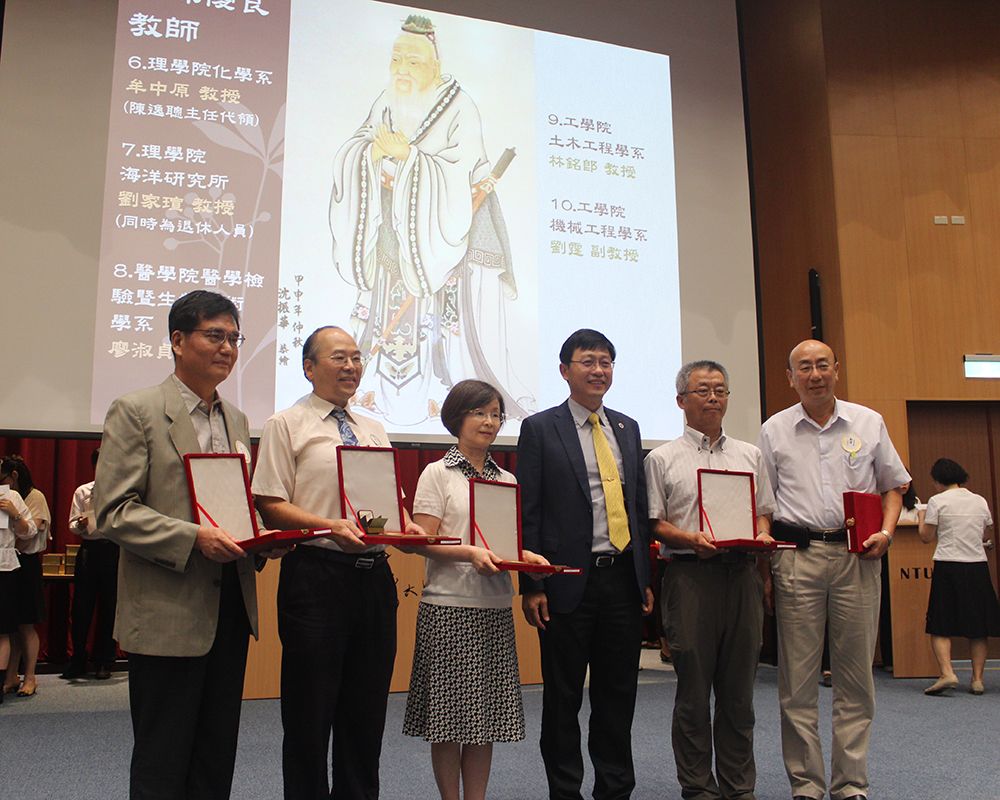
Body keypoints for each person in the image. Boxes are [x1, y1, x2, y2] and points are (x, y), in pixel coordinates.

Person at [93, 290, 274, 800]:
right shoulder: (137, 411)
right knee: (163, 757)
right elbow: (114, 511)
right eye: (214, 335)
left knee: (216, 755)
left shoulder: (236, 419)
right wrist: (193, 538)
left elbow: (232, 509)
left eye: (234, 339)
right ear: (177, 340)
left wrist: (263, 540)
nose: (228, 349)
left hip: (230, 609)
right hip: (168, 611)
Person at [329, 14, 532, 426]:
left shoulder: (458, 105)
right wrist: (370, 157)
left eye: (413, 61)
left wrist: (409, 161)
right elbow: (356, 145)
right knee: (382, 311)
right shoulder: (386, 100)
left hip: (440, 237)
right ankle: (375, 392)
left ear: (434, 65)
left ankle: (443, 394)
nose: (402, 69)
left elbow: (461, 169)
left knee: (439, 323)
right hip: (389, 234)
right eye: (397, 59)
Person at [252, 325, 427, 800]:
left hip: (374, 581)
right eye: (338, 358)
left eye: (356, 357)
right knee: (310, 716)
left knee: (366, 715)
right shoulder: (285, 424)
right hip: (317, 580)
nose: (351, 366)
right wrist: (327, 524)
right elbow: (270, 501)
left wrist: (405, 522)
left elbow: (386, 498)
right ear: (308, 367)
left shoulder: (372, 427)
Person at [759, 339, 910, 800]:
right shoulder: (774, 430)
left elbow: (894, 487)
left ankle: (850, 785)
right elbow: (764, 502)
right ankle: (806, 784)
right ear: (791, 377)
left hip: (858, 559)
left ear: (837, 370)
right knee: (797, 681)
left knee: (855, 679)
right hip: (797, 559)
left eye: (823, 365)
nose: (815, 374)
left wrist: (885, 533)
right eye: (804, 367)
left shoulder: (869, 422)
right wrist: (765, 543)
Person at [518, 328, 653, 800]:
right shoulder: (539, 428)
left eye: (606, 362)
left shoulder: (627, 427)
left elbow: (636, 506)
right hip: (565, 584)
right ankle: (565, 791)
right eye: (588, 361)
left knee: (618, 696)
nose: (599, 371)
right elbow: (528, 511)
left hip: (621, 581)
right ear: (564, 370)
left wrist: (643, 578)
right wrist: (532, 583)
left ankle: (615, 789)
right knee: (563, 698)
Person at [404, 379, 548, 800]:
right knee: (448, 722)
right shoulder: (437, 472)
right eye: (479, 413)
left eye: (495, 414)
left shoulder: (505, 477)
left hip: (493, 607)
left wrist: (528, 556)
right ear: (457, 418)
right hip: (449, 607)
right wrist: (469, 554)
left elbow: (501, 542)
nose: (489, 422)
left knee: (484, 721)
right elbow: (424, 541)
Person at [644, 360, 776, 800]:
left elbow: (762, 512)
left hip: (742, 577)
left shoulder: (749, 454)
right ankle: (698, 786)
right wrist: (688, 538)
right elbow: (655, 524)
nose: (713, 398)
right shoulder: (662, 458)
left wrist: (761, 534)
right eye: (703, 390)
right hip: (689, 577)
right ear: (682, 400)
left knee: (739, 694)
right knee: (694, 693)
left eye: (720, 390)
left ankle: (740, 787)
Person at [917, 458, 999, 696]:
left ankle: (947, 673)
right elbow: (985, 532)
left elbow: (926, 536)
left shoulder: (937, 501)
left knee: (940, 623)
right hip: (977, 567)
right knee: (978, 626)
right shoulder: (979, 500)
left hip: (948, 564)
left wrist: (921, 517)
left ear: (937, 480)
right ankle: (977, 680)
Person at [61, 446, 119, 680]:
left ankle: (104, 661)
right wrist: (80, 525)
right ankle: (77, 660)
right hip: (89, 551)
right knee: (81, 608)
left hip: (113, 550)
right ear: (94, 466)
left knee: (109, 608)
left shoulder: (120, 493)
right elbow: (71, 524)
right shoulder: (82, 491)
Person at [0, 454, 50, 698]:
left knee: (26, 623)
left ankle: (30, 677)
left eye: (4, 478)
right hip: (8, 565)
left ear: (14, 476)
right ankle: (10, 675)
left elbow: (32, 531)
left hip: (26, 563)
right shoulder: (7, 497)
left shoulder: (34, 496)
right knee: (9, 625)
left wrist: (10, 531)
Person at [0, 474, 37, 707]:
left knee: (2, 630)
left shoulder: (10, 496)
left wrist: (14, 513)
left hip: (4, 567)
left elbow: (29, 531)